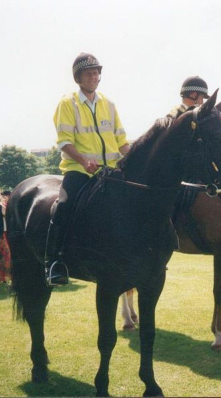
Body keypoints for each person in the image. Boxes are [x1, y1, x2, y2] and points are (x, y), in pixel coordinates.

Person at [48, 52, 130, 286]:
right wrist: (84, 160)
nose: (94, 76)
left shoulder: (109, 104)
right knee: (63, 206)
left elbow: (121, 141)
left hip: (110, 173)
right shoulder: (67, 103)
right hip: (79, 171)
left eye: (96, 72)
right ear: (79, 78)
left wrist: (134, 158)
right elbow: (64, 141)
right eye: (89, 73)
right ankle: (54, 262)